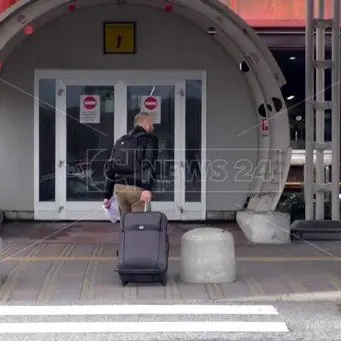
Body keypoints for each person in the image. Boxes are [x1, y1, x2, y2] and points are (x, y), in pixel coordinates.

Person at [103, 112, 158, 215]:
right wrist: (147, 188)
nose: (153, 127)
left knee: (126, 225)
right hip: (137, 190)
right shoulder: (150, 139)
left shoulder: (121, 140)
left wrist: (107, 195)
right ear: (146, 123)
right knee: (139, 226)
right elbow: (148, 164)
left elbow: (110, 167)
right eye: (152, 124)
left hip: (119, 189)